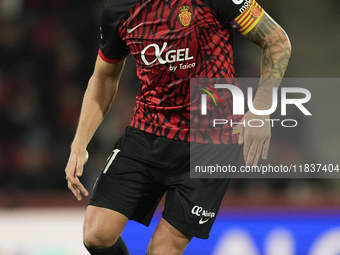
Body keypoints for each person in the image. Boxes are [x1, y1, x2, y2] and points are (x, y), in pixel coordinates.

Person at [65, 0, 291, 254]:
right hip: (148, 131)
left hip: (212, 142)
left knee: (163, 249)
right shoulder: (118, 8)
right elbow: (104, 76)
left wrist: (261, 109)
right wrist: (79, 143)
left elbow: (277, 40)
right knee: (97, 234)